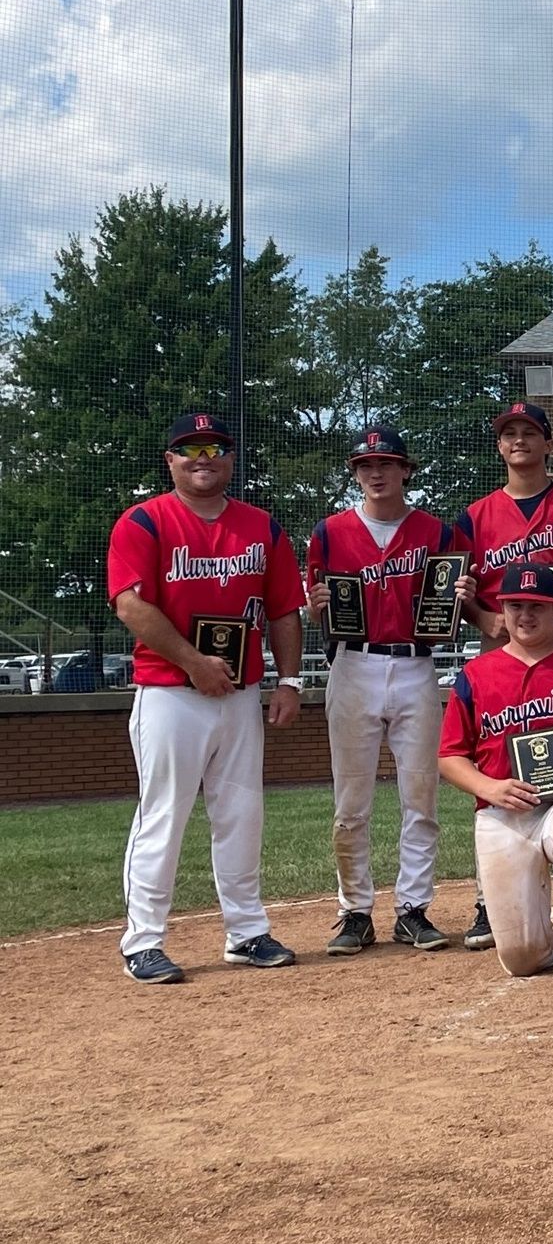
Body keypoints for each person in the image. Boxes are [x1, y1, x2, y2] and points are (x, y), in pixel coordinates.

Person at [107, 410, 306, 983]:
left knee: (242, 815)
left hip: (240, 694)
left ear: (230, 459)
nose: (203, 459)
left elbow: (285, 609)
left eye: (214, 448)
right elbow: (131, 605)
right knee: (164, 815)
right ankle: (143, 941)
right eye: (189, 449)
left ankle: (246, 932)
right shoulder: (144, 521)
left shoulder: (261, 527)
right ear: (170, 460)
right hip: (170, 693)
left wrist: (288, 680)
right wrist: (193, 663)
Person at [453, 400, 553, 951]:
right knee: (496, 755)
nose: (519, 440)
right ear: (500, 445)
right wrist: (488, 621)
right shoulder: (475, 516)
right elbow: (462, 591)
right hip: (501, 646)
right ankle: (493, 899)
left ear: (548, 443)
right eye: (509, 433)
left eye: (530, 432)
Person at [305, 424, 472, 957]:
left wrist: (465, 594)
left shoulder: (437, 533)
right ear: (356, 473)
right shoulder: (329, 532)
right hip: (353, 665)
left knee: (419, 798)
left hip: (416, 666)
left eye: (385, 463)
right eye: (364, 465)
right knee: (350, 803)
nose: (375, 473)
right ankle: (354, 911)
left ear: (405, 470)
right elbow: (312, 603)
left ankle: (412, 909)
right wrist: (316, 605)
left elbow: (458, 603)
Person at [437, 563, 553, 995]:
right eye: (516, 605)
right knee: (521, 961)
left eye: (537, 605)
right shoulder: (476, 675)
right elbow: (450, 757)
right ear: (500, 610)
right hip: (505, 809)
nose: (526, 614)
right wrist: (490, 787)